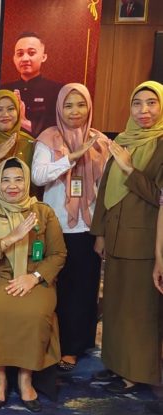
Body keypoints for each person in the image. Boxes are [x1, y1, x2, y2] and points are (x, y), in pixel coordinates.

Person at [0, 158, 66, 413]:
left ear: (27, 182)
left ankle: (25, 378)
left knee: (35, 312)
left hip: (33, 276)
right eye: (6, 180)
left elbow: (58, 254)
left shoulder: (43, 212)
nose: (13, 186)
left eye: (19, 179)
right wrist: (11, 238)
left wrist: (34, 278)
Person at [90, 81, 163, 394]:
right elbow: (106, 188)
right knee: (115, 308)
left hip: (144, 243)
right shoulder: (123, 139)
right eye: (137, 103)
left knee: (138, 312)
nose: (144, 110)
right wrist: (100, 233)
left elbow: (159, 196)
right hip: (116, 236)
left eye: (151, 103)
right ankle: (115, 364)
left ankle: (135, 373)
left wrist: (131, 170)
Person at [31, 83, 109, 371]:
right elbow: (38, 176)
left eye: (81, 104)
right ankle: (54, 343)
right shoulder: (47, 138)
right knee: (57, 288)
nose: (75, 111)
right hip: (55, 226)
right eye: (68, 105)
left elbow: (107, 190)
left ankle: (76, 346)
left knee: (84, 288)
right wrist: (70, 159)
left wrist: (102, 232)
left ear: (89, 107)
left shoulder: (100, 142)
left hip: (88, 228)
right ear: (59, 108)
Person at [0, 32, 63, 139]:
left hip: (45, 146)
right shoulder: (4, 90)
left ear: (43, 57)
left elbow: (59, 129)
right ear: (14, 58)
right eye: (20, 54)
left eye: (31, 53)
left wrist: (23, 122)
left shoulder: (57, 91)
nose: (25, 58)